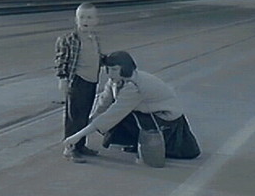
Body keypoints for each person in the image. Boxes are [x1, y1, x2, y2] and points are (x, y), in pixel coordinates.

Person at [63, 51, 201, 161]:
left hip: (165, 119)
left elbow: (112, 114)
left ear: (126, 69)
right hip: (146, 112)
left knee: (117, 119)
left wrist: (78, 136)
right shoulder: (115, 82)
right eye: (108, 69)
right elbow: (102, 105)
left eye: (115, 70)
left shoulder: (134, 87)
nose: (110, 74)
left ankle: (147, 145)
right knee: (114, 118)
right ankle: (136, 143)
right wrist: (84, 125)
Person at [55, 2, 104, 163]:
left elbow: (97, 57)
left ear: (96, 20)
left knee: (84, 116)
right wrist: (62, 78)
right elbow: (61, 60)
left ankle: (81, 145)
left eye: (89, 17)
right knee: (73, 117)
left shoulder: (94, 38)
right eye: (81, 17)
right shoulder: (69, 40)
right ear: (76, 19)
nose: (85, 20)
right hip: (77, 81)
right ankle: (69, 148)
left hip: (92, 82)